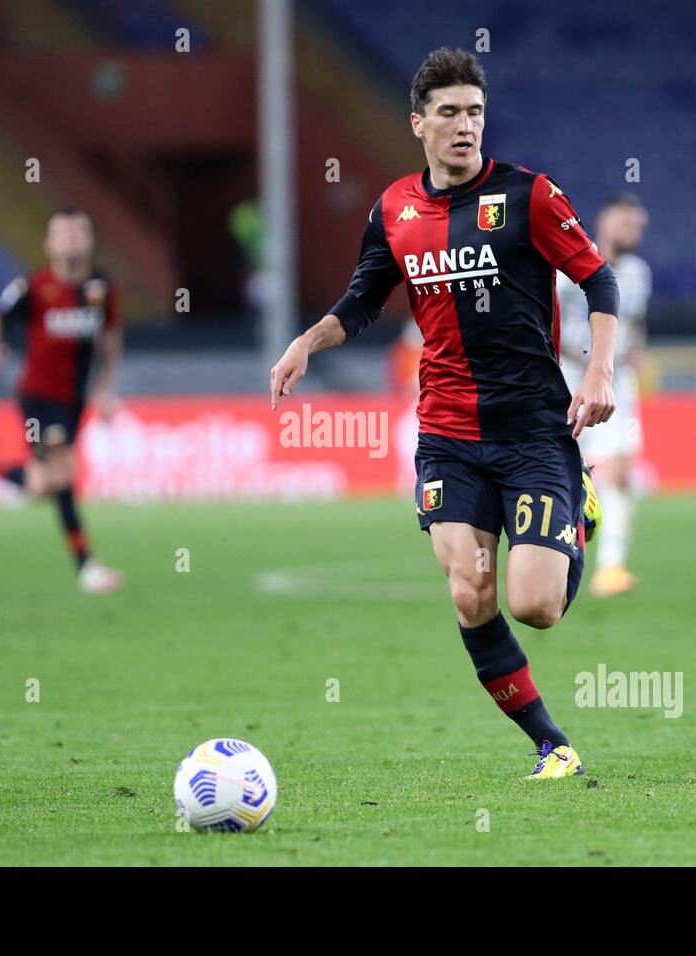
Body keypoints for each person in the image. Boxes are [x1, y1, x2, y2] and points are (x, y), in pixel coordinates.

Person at [269, 49, 617, 780]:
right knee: (469, 590)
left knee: (536, 607)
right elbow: (363, 300)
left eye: (476, 112)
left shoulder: (528, 196)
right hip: (448, 434)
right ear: (419, 123)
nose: (466, 126)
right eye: (451, 113)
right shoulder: (394, 209)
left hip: (531, 429)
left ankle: (579, 506)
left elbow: (597, 277)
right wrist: (307, 341)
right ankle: (552, 744)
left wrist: (601, 367)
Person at [0, 208, 123, 594]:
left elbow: (111, 342)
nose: (71, 239)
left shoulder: (102, 289)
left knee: (40, 485)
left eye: (78, 232)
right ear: (49, 244)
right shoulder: (33, 288)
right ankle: (87, 567)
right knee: (63, 472)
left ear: (90, 239)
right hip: (38, 398)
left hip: (73, 402)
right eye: (63, 233)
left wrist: (104, 389)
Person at [558, 194, 651, 596]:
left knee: (620, 470)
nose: (633, 231)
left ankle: (611, 567)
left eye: (638, 226)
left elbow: (633, 322)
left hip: (616, 381)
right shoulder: (567, 269)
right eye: (626, 223)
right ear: (604, 220)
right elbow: (547, 321)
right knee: (557, 470)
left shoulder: (638, 273)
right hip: (567, 378)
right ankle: (554, 556)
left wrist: (632, 354)